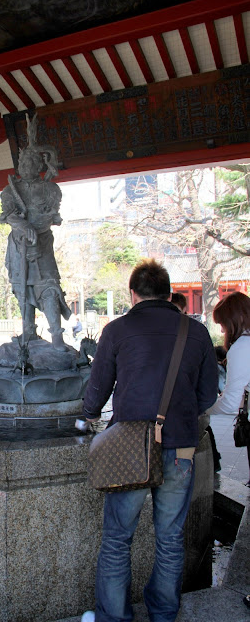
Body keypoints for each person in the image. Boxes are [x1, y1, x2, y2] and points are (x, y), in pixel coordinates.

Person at [80, 259, 218, 622]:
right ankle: (163, 613)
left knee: (116, 541)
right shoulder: (196, 332)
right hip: (181, 449)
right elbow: (207, 396)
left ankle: (114, 617)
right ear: (168, 292)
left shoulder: (117, 330)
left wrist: (89, 415)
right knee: (170, 538)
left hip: (130, 446)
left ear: (132, 293)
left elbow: (96, 393)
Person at [0, 114, 71, 351]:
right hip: (19, 244)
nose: (24, 167)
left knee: (49, 285)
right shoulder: (10, 190)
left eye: (30, 163)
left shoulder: (50, 188)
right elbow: (8, 215)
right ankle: (28, 332)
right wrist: (24, 226)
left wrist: (38, 224)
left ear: (39, 165)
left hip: (42, 244)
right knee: (22, 287)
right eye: (22, 163)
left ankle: (57, 336)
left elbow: (52, 215)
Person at [207, 292, 250, 487]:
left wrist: (205, 409)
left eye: (223, 323)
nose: (223, 331)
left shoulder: (242, 347)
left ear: (238, 319)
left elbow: (231, 402)